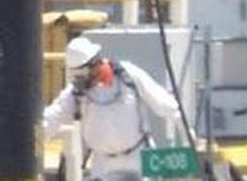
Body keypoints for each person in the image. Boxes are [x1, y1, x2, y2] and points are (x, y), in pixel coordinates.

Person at [43, 36, 182, 181]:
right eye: (76, 75)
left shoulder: (128, 76)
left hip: (139, 157)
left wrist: (183, 126)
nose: (80, 79)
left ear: (95, 64)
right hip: (103, 164)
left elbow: (161, 100)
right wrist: (32, 138)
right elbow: (54, 115)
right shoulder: (78, 92)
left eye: (83, 73)